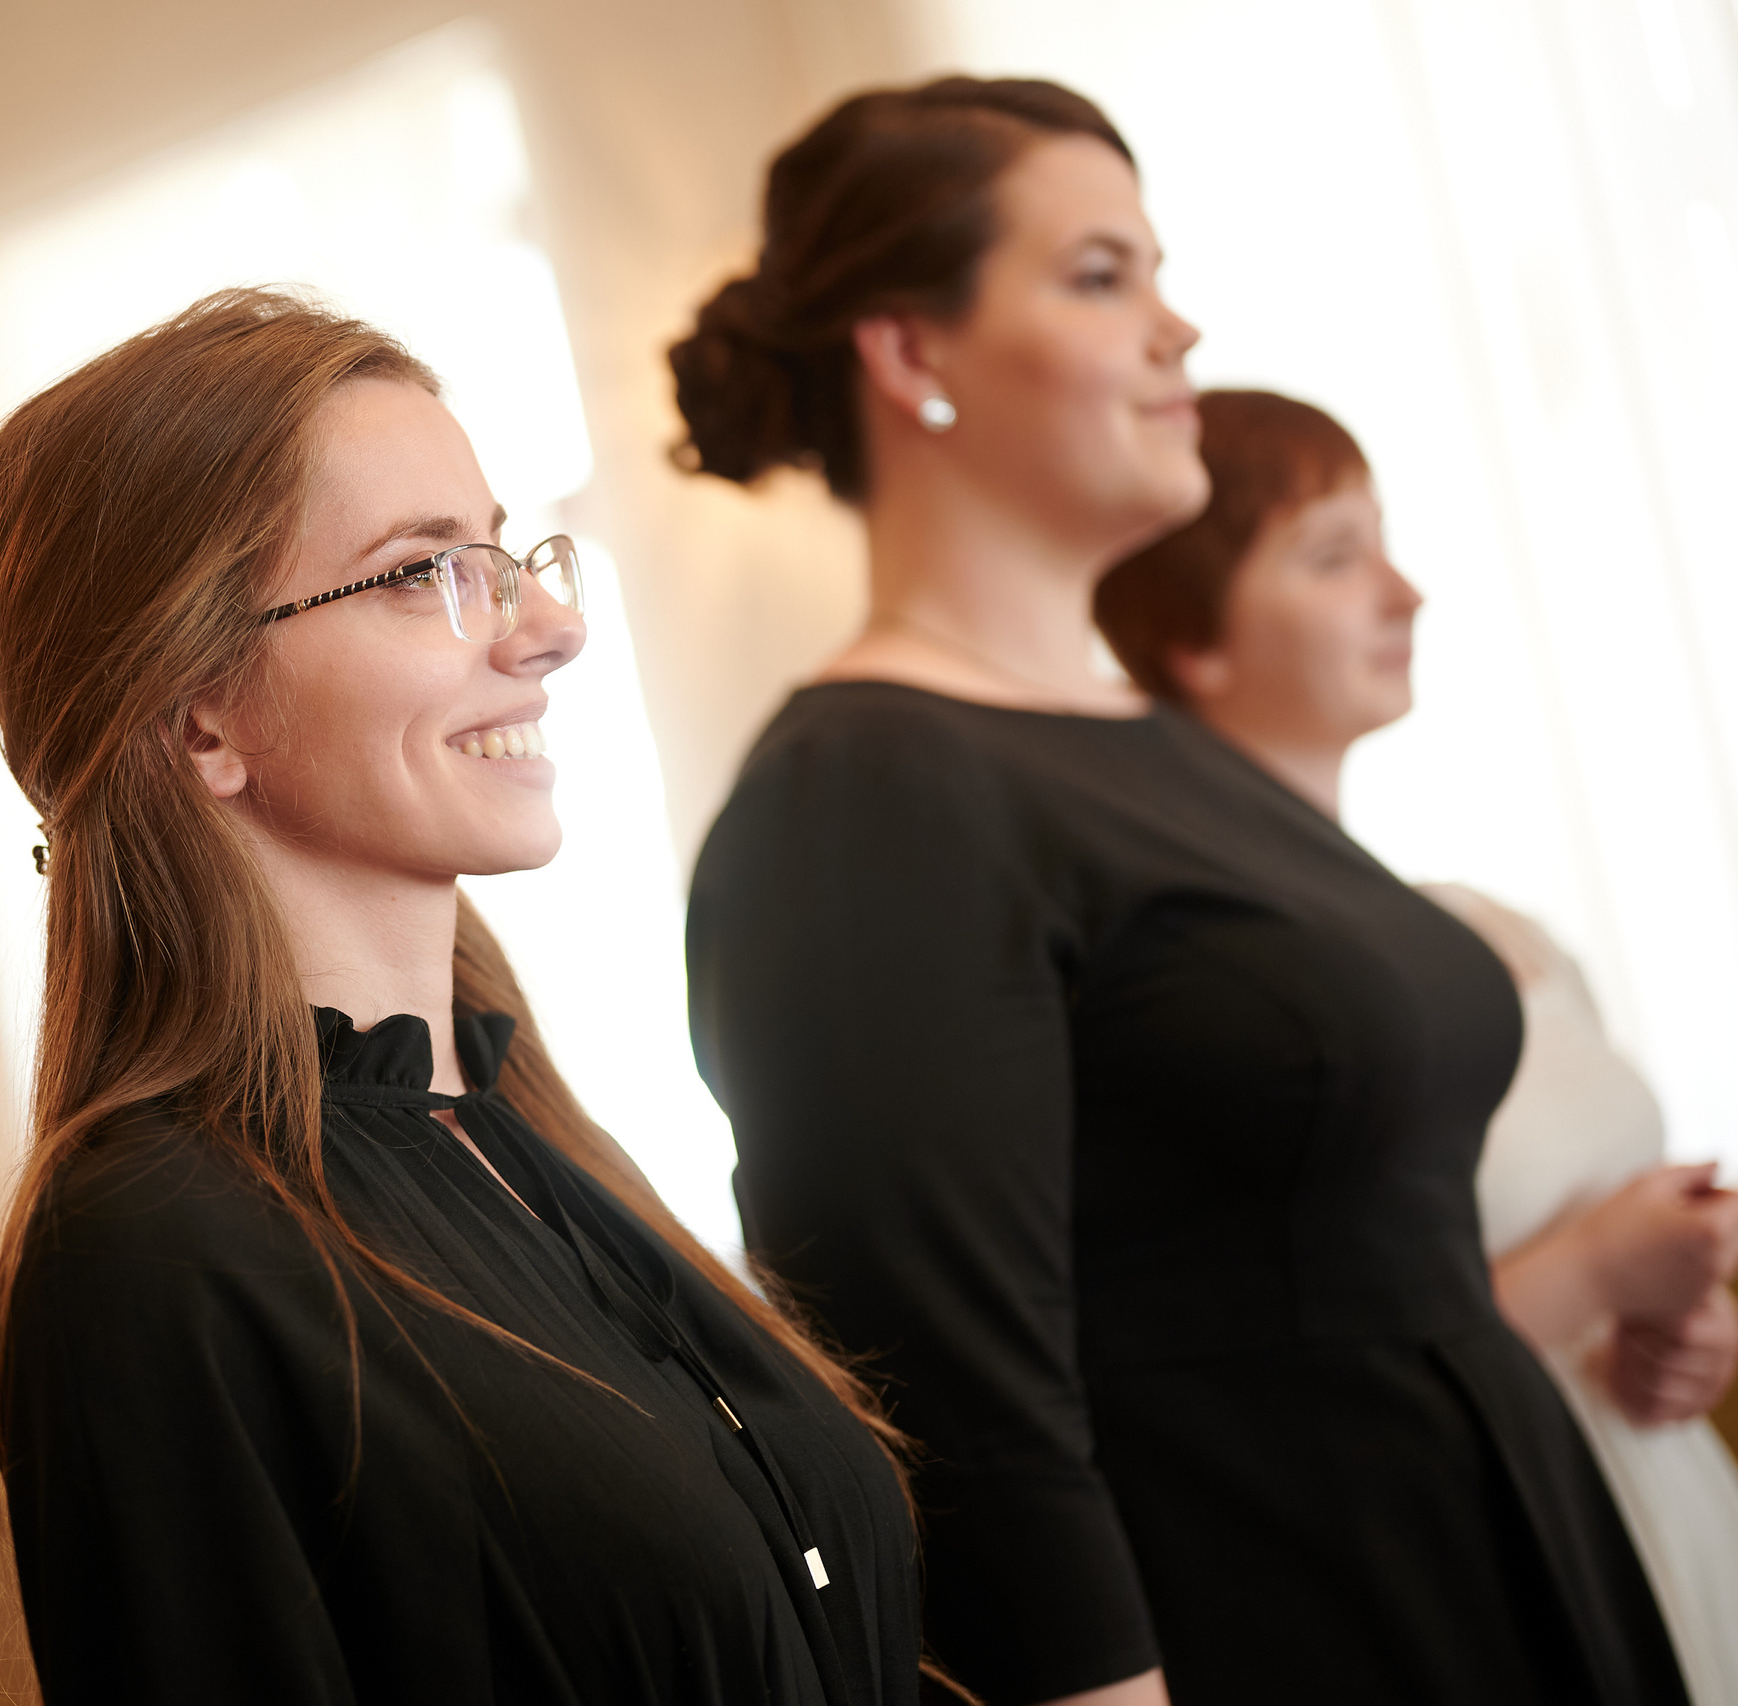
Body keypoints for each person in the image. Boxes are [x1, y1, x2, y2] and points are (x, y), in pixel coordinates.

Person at [673, 80, 1689, 1706]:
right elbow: (949, 1408)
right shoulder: (867, 793)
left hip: (1494, 1564)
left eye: (1158, 269)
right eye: (1100, 277)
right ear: (911, 353)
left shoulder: (1162, 750)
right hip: (1279, 1623)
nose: (1177, 329)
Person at [0, 288, 944, 1705]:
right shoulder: (154, 1244)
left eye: (508, 552)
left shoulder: (523, 1137)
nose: (548, 624)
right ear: (199, 715)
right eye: (424, 572)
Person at [1097, 385, 1738, 1705]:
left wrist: (1690, 1322)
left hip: (1669, 1494)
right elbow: (1289, 1379)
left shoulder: (1484, 928)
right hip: (1471, 1555)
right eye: (1334, 555)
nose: (1407, 591)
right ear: (1189, 637)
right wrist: (1590, 1268)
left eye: (1383, 539)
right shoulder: (1210, 1025)